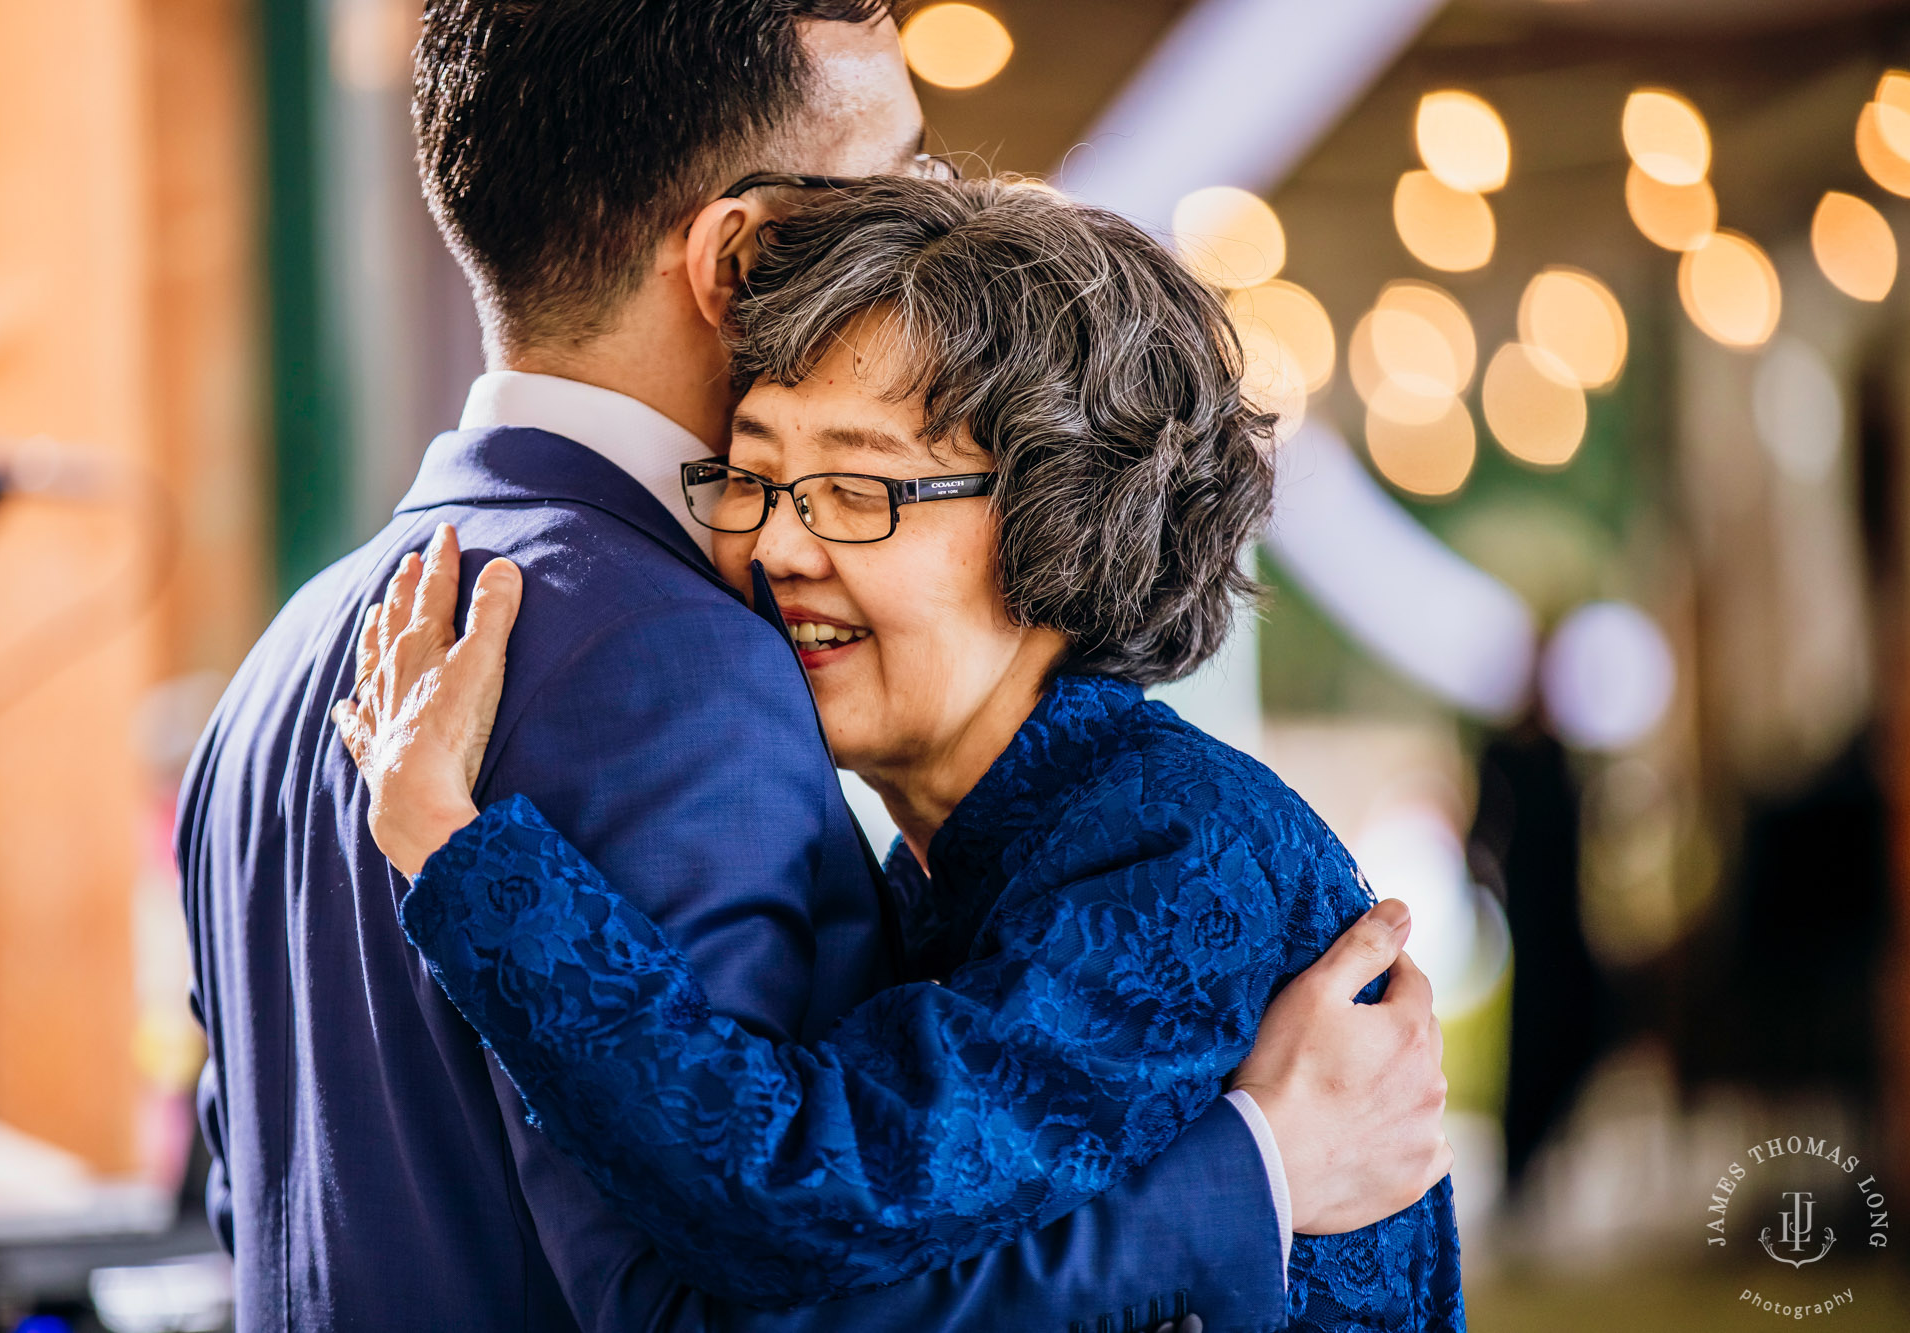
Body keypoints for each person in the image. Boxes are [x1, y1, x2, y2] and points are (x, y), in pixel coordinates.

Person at [177, 4, 1449, 1330]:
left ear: (1043, 520)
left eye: (853, 491)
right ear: (744, 254)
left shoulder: (288, 665)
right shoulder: (666, 663)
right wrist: (1254, 1177)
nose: (781, 542)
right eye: (892, 185)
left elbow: (250, 1216)